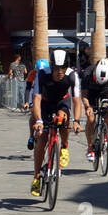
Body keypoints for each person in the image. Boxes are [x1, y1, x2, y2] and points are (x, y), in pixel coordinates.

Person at [30, 49, 82, 197]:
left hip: (62, 102)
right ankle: (36, 177)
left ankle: (64, 147)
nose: (60, 72)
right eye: (57, 68)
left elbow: (76, 100)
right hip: (45, 103)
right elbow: (37, 99)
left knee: (63, 119)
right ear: (51, 66)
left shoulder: (72, 75)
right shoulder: (42, 74)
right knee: (42, 140)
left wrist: (77, 121)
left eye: (63, 68)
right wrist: (39, 120)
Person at [80, 60, 108, 165]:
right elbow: (84, 95)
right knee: (91, 118)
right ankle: (90, 147)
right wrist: (87, 107)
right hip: (91, 92)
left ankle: (107, 130)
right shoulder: (87, 73)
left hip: (105, 90)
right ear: (94, 73)